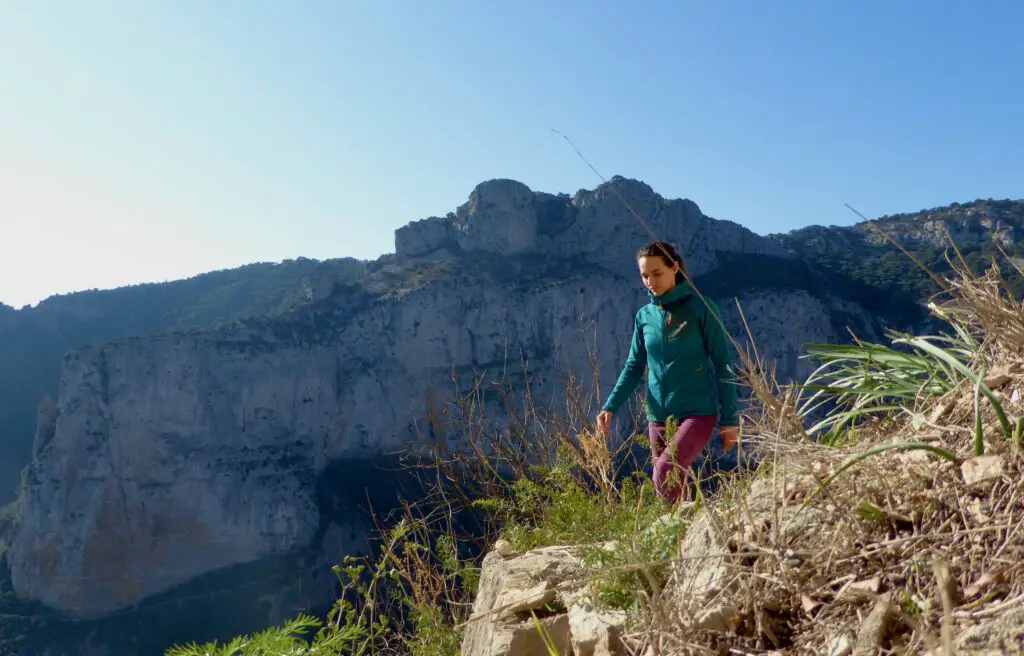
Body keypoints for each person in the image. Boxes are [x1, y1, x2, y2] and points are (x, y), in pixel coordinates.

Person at [596, 240, 739, 504]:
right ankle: (681, 542)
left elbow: (724, 364)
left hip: (697, 414)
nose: (651, 281)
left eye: (657, 273)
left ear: (674, 268)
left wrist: (730, 420)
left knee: (663, 472)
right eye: (644, 275)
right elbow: (634, 365)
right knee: (671, 489)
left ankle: (676, 537)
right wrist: (610, 406)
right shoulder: (644, 316)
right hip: (658, 417)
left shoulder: (701, 308)